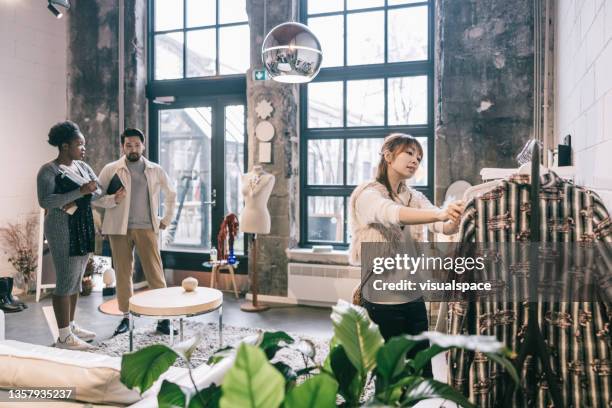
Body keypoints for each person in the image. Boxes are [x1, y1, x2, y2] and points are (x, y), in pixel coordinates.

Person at [348, 133, 464, 377]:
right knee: (392, 374)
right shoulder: (367, 193)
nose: (415, 160)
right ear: (388, 155)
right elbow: (390, 212)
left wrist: (454, 217)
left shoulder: (413, 196)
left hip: (412, 294)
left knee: (421, 371)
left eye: (419, 157)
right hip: (382, 298)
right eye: (409, 153)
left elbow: (441, 224)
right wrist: (440, 214)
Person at [37, 121, 114, 350]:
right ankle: (63, 338)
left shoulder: (82, 166)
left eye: (84, 144)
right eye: (79, 144)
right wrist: (80, 191)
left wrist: (86, 192)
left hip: (83, 224)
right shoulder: (48, 170)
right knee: (65, 281)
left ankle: (70, 326)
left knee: (77, 279)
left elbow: (98, 189)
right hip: (62, 227)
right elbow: (45, 201)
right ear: (64, 145)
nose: (83, 148)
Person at [94, 128, 177, 336]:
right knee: (123, 274)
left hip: (147, 228)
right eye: (128, 145)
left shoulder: (155, 169)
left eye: (137, 145)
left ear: (143, 145)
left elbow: (171, 194)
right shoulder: (110, 169)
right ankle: (126, 317)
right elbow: (94, 198)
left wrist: (166, 220)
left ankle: (163, 318)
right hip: (118, 229)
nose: (133, 149)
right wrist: (113, 200)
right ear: (122, 146)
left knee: (155, 274)